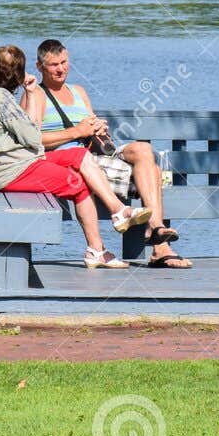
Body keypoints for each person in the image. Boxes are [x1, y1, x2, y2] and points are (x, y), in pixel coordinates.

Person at [0, 45, 150, 269]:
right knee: (78, 185)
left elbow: (28, 133)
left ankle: (118, 211)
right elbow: (33, 137)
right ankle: (97, 250)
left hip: (15, 164)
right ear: (15, 73)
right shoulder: (2, 99)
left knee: (78, 154)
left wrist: (31, 92)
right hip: (11, 171)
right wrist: (34, 94)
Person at [21, 39, 191, 269]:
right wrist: (76, 132)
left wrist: (99, 130)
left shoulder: (79, 91)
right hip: (69, 162)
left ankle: (156, 228)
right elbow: (31, 139)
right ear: (40, 67)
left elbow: (90, 128)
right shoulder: (35, 94)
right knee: (155, 172)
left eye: (64, 62)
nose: (61, 69)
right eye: (53, 65)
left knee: (142, 150)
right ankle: (160, 247)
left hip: (94, 154)